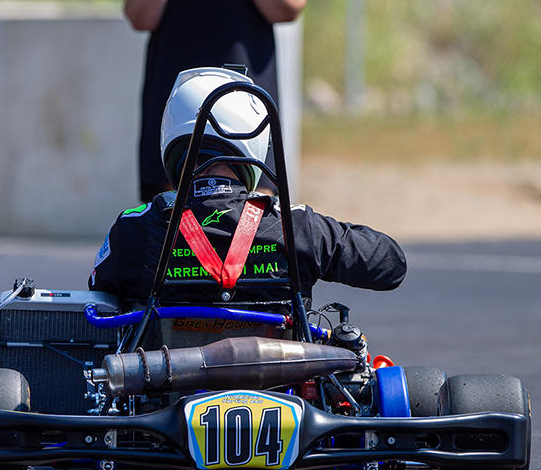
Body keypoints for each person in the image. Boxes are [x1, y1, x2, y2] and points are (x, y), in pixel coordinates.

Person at [89, 68, 406, 318]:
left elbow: (97, 297)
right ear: (254, 142)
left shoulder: (134, 229)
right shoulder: (296, 226)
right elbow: (391, 265)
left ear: (172, 139)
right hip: (280, 392)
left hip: (168, 392)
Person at [124, 0, 307, 202]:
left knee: (254, 220)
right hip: (177, 101)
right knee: (171, 228)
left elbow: (289, 6)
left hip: (246, 101)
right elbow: (139, 16)